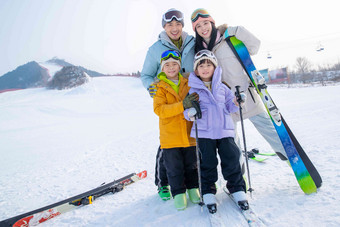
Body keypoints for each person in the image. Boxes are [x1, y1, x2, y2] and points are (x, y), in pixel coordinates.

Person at [190, 8, 287, 170]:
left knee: (271, 133)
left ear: (212, 23)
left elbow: (255, 47)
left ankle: (294, 161)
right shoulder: (200, 51)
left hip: (247, 96)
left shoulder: (230, 39)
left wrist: (236, 31)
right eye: (198, 26)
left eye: (205, 23)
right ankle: (238, 180)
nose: (203, 28)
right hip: (224, 104)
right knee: (232, 146)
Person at [140, 8, 196, 201]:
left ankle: (192, 183)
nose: (174, 28)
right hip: (169, 100)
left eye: (177, 24)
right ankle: (163, 183)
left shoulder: (192, 42)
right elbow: (146, 75)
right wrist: (152, 88)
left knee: (191, 145)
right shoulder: (155, 49)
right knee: (168, 147)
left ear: (182, 25)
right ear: (164, 27)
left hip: (190, 99)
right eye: (170, 25)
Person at [184, 50, 248, 213]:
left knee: (231, 158)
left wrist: (236, 100)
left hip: (224, 130)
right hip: (205, 133)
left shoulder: (223, 87)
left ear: (215, 67)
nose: (205, 68)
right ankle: (207, 191)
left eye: (208, 65)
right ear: (196, 70)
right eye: (201, 66)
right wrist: (190, 113)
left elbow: (229, 106)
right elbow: (187, 110)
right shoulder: (193, 90)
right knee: (207, 162)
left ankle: (236, 188)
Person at [153, 50, 200, 211]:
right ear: (162, 68)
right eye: (167, 65)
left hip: (189, 134)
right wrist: (182, 105)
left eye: (174, 64)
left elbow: (197, 97)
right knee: (174, 167)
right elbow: (160, 110)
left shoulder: (188, 82)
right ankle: (179, 193)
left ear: (179, 66)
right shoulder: (159, 87)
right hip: (170, 137)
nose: (171, 67)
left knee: (191, 164)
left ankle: (193, 188)